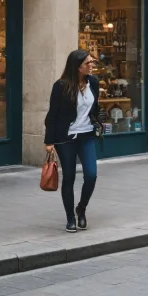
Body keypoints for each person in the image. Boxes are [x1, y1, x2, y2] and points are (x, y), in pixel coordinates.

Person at [44, 50, 102, 233]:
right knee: (69, 177)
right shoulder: (61, 86)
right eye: (88, 63)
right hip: (66, 138)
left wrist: (97, 120)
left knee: (91, 175)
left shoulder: (93, 82)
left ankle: (81, 209)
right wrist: (49, 140)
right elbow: (52, 114)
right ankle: (70, 218)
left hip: (87, 136)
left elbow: (94, 108)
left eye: (92, 62)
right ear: (77, 67)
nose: (91, 65)